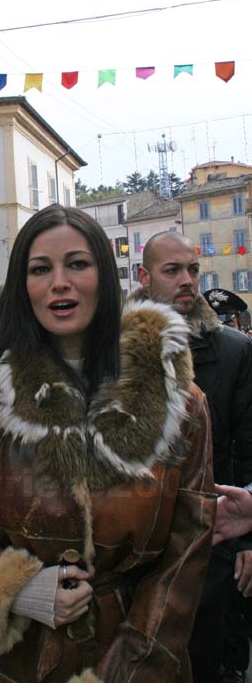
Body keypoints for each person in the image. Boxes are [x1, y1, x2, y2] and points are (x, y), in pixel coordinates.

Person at [0, 204, 215, 683]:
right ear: (23, 285)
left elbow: (189, 547)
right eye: (40, 269)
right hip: (19, 658)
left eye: (77, 264)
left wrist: (134, 663)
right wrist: (19, 588)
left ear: (104, 274)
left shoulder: (180, 400)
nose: (59, 282)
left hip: (139, 652)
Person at [136, 232, 252, 683]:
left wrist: (246, 542)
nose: (187, 281)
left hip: (212, 554)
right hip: (135, 559)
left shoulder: (234, 352)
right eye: (172, 271)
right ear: (145, 278)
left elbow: (248, 451)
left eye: (193, 270)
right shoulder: (112, 352)